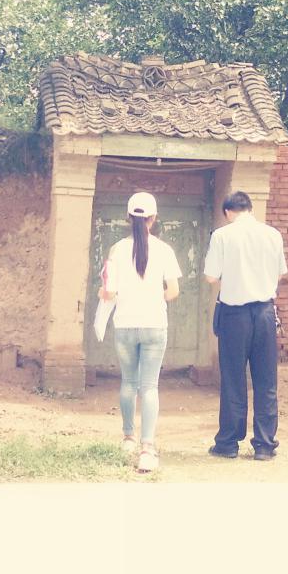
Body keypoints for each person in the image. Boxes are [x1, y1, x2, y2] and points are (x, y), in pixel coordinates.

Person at [99, 191, 182, 473]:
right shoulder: (164, 250)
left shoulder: (116, 250)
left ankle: (128, 438)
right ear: (153, 218)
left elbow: (109, 292)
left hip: (124, 324)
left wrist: (105, 293)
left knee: (128, 383)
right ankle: (147, 448)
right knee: (149, 387)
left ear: (128, 217)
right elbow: (173, 291)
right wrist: (155, 297)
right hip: (154, 324)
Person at [204, 190, 288, 461]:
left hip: (234, 315)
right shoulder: (273, 234)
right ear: (250, 209)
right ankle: (264, 445)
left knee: (233, 379)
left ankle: (228, 443)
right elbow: (280, 273)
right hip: (265, 313)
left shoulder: (222, 235)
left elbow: (210, 277)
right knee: (266, 380)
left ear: (228, 212)